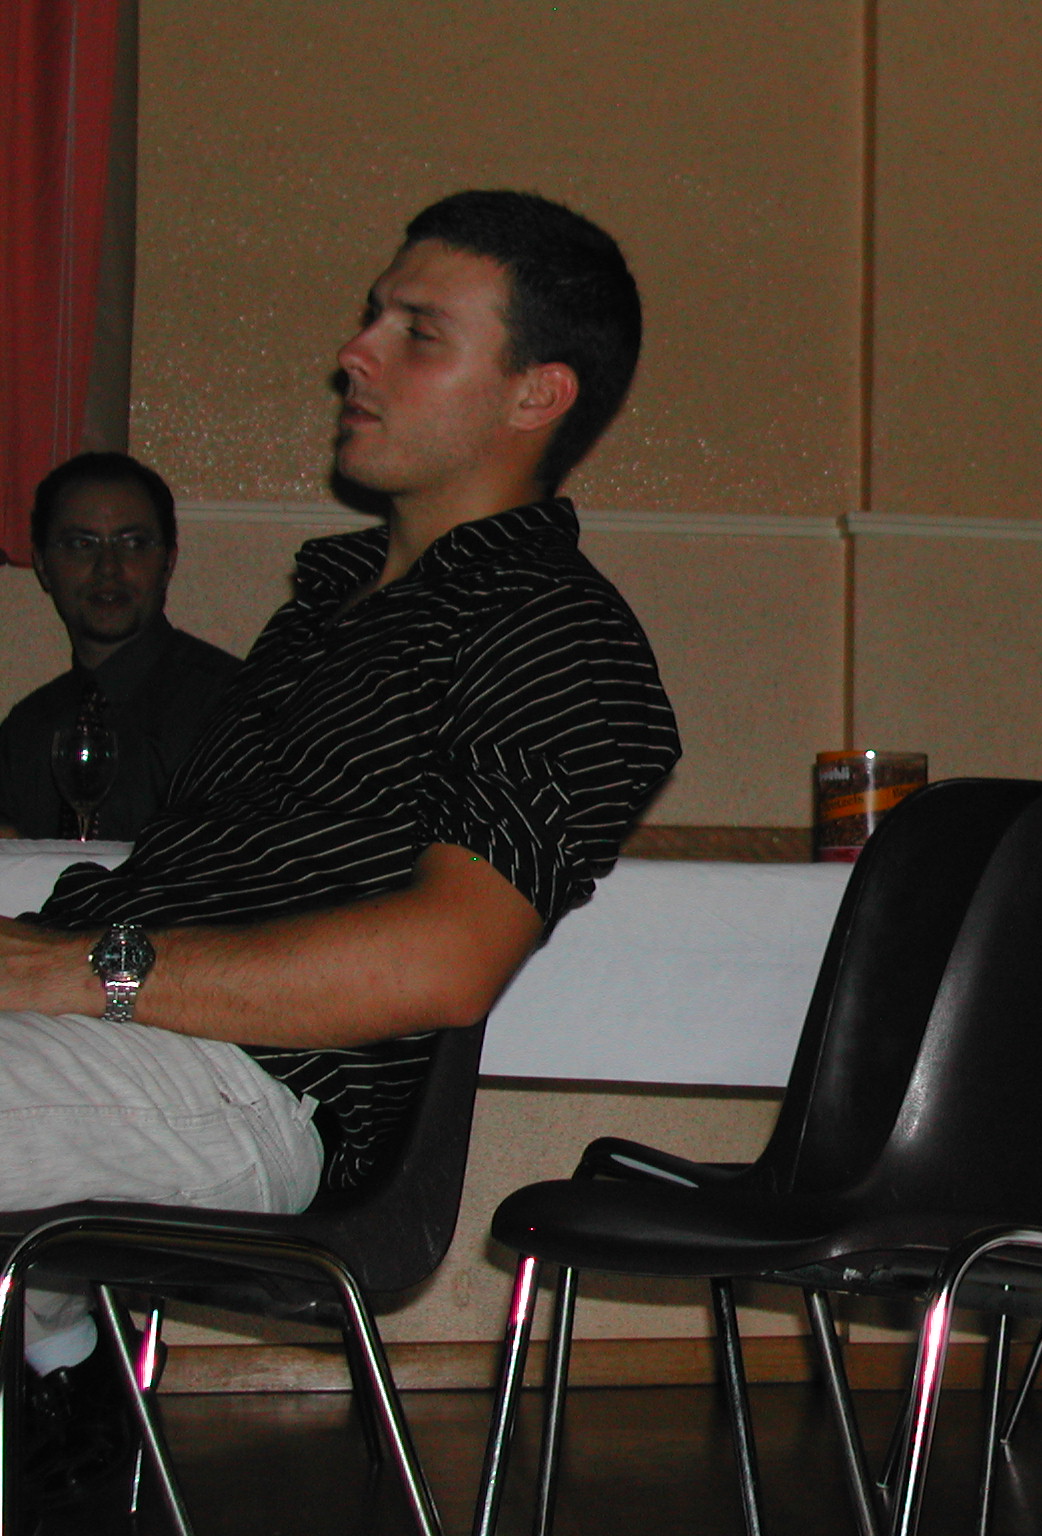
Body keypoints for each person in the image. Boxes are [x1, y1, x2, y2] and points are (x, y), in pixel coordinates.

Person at [0, 189, 680, 1492]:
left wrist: (78, 970)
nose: (353, 352)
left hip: (255, 1092)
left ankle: (55, 1357)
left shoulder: (559, 636)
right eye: (375, 315)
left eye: (417, 332)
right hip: (133, 1042)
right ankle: (59, 1360)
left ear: (535, 394)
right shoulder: (324, 611)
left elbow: (445, 961)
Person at [0, 453, 240, 840]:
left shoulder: (231, 708)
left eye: (133, 543)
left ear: (168, 562)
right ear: (43, 566)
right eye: (81, 544)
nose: (108, 567)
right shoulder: (26, 731)